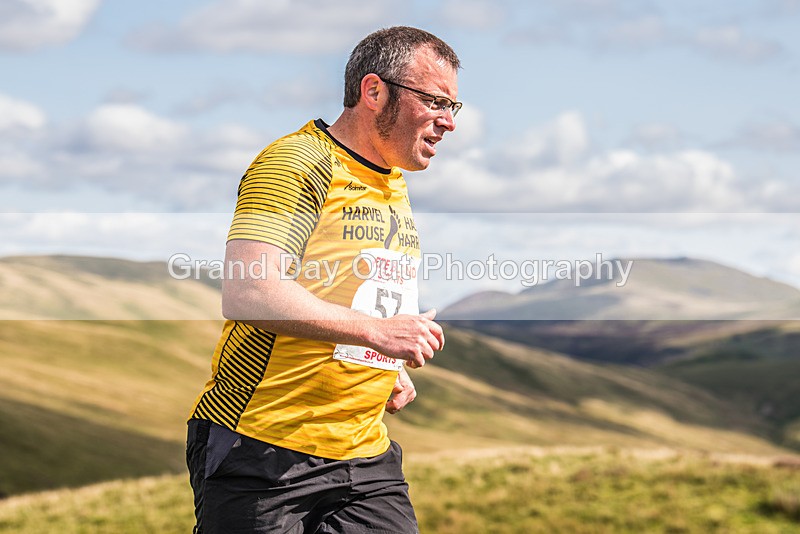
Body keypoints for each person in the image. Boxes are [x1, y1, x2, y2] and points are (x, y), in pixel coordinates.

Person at [186, 26, 461, 533]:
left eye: (454, 107)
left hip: (364, 454)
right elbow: (249, 290)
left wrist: (381, 365)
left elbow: (345, 291)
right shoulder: (298, 162)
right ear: (374, 91)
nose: (448, 122)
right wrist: (375, 333)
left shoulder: (391, 182)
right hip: (262, 444)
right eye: (434, 101)